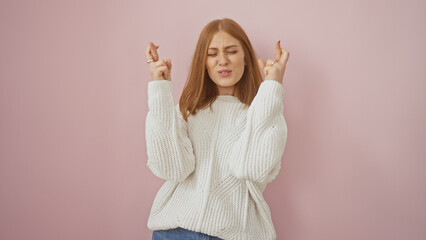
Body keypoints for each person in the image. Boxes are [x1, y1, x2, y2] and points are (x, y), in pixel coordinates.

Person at [144, 18, 289, 240]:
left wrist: (271, 87)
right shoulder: (186, 111)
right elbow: (171, 169)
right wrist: (160, 90)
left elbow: (253, 168)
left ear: (246, 58)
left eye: (231, 51)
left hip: (236, 234)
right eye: (212, 54)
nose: (222, 61)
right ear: (203, 62)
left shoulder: (263, 114)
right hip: (175, 232)